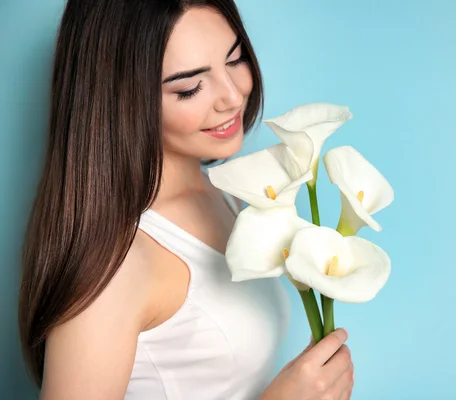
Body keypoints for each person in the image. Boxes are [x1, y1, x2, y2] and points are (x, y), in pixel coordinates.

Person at [18, 1, 355, 399]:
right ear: (120, 98)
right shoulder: (116, 270)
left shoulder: (229, 196)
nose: (231, 96)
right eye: (189, 87)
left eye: (235, 59)